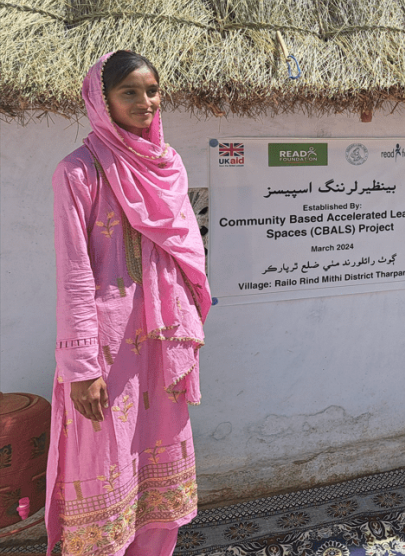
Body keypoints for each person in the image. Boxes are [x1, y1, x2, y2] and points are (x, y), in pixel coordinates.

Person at [46, 51, 212, 556]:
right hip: (108, 349)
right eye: (130, 93)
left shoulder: (168, 164)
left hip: (164, 339)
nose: (146, 102)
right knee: (105, 459)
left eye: (152, 90)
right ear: (103, 101)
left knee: (160, 454)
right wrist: (80, 367)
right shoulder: (78, 172)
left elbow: (187, 249)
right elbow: (74, 273)